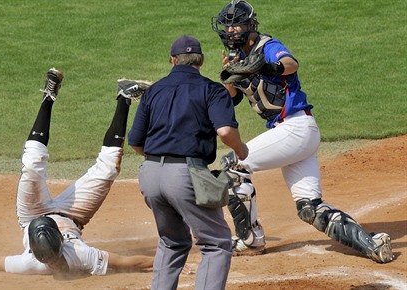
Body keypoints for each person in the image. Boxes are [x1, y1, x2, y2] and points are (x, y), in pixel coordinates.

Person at [210, 0, 394, 263]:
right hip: (295, 136)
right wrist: (229, 73)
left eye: (236, 25)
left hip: (295, 128)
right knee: (310, 208)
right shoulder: (235, 58)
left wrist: (266, 67)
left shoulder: (268, 47)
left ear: (250, 26)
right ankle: (373, 245)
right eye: (227, 27)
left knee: (233, 166)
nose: (231, 31)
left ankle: (250, 240)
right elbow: (229, 97)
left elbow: (291, 63)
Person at [0, 68, 154, 278]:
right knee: (109, 168)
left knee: (32, 163)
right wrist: (166, 263)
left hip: (32, 213)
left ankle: (49, 95)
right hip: (75, 215)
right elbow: (127, 262)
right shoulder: (81, 256)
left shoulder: (28, 263)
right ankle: (124, 96)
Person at [128, 35, 249, 290]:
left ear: (173, 60)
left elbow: (135, 141)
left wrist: (159, 163)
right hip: (185, 176)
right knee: (216, 243)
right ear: (201, 60)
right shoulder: (211, 89)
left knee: (172, 241)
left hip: (149, 175)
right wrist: (241, 149)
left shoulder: (153, 91)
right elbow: (225, 131)